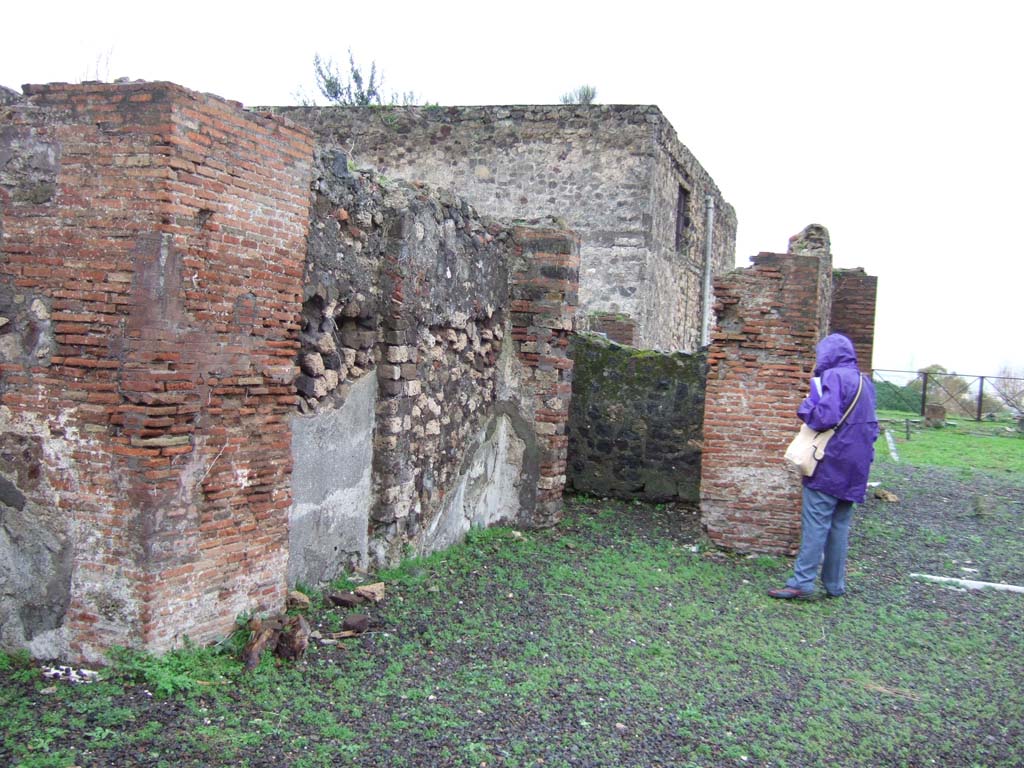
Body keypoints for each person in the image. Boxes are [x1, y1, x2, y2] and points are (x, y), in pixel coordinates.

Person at [768, 333, 879, 599]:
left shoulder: (833, 378)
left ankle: (802, 583)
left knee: (816, 523)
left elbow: (823, 418)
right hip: (857, 465)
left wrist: (807, 405)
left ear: (828, 355)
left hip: (830, 461)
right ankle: (834, 585)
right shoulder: (866, 383)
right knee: (839, 525)